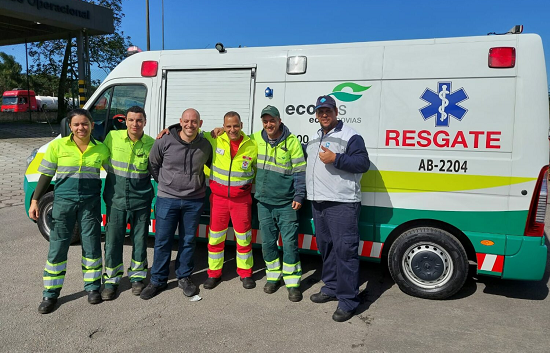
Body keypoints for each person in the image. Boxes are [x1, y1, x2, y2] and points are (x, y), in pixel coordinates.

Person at [29, 109, 110, 314]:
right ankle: (50, 294)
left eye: (85, 124)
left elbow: (114, 174)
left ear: (92, 125)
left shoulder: (101, 149)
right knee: (57, 247)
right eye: (76, 124)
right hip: (63, 203)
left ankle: (92, 288)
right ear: (70, 126)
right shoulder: (58, 145)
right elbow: (46, 175)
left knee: (91, 246)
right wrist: (35, 200)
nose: (81, 128)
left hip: (90, 205)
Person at [305, 95, 370, 322]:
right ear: (316, 114)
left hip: (342, 203)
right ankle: (331, 287)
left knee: (345, 252)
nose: (324, 115)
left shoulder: (351, 136)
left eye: (328, 111)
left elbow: (363, 164)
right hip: (319, 202)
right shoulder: (314, 137)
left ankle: (348, 300)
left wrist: (337, 158)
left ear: (336, 112)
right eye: (320, 111)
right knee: (327, 249)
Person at [141, 108, 212, 300]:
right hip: (167, 199)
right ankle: (157, 280)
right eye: (187, 121)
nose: (190, 125)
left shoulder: (206, 145)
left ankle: (184, 277)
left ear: (200, 123)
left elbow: (212, 163)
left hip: (194, 200)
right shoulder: (164, 140)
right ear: (180, 121)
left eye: (194, 121)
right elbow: (152, 163)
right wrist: (165, 183)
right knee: (162, 241)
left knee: (188, 241)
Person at [250, 105, 306, 302]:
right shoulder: (255, 139)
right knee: (267, 244)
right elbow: (236, 140)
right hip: (263, 202)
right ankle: (273, 277)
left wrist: (299, 196)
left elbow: (300, 171)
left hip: (286, 204)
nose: (268, 124)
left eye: (272, 120)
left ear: (279, 120)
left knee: (289, 244)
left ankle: (292, 283)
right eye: (265, 121)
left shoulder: (292, 142)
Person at [100, 106, 155, 300]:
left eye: (139, 120)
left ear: (145, 122)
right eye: (131, 120)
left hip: (141, 200)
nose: (135, 124)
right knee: (113, 241)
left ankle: (138, 278)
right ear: (126, 121)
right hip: (116, 199)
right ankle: (111, 281)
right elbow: (101, 158)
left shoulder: (151, 143)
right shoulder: (113, 137)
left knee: (140, 241)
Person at [203, 111, 258, 290]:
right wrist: (167, 131)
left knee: (243, 238)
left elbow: (256, 171)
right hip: (218, 199)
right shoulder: (215, 139)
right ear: (223, 126)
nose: (232, 129)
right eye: (228, 126)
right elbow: (191, 131)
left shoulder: (252, 145)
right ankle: (214, 273)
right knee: (215, 238)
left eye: (235, 125)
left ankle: (246, 273)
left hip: (241, 201)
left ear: (241, 125)